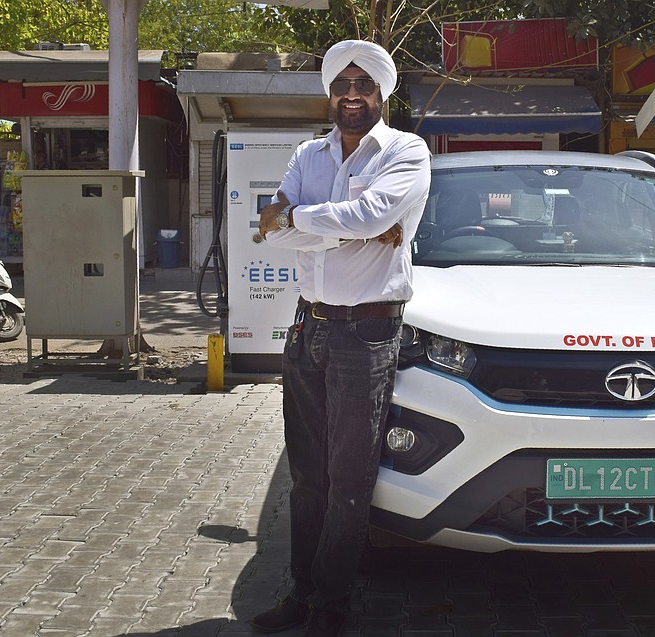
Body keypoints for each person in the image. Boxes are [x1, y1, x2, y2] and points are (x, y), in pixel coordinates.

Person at [251, 39, 431, 637]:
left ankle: (331, 606)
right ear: (330, 91)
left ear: (383, 92)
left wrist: (302, 219)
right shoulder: (308, 154)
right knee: (308, 477)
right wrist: (350, 227)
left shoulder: (405, 151)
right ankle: (301, 594)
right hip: (310, 329)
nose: (352, 95)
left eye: (365, 85)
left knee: (350, 482)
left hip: (368, 332)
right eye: (343, 84)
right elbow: (268, 232)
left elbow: (370, 216)